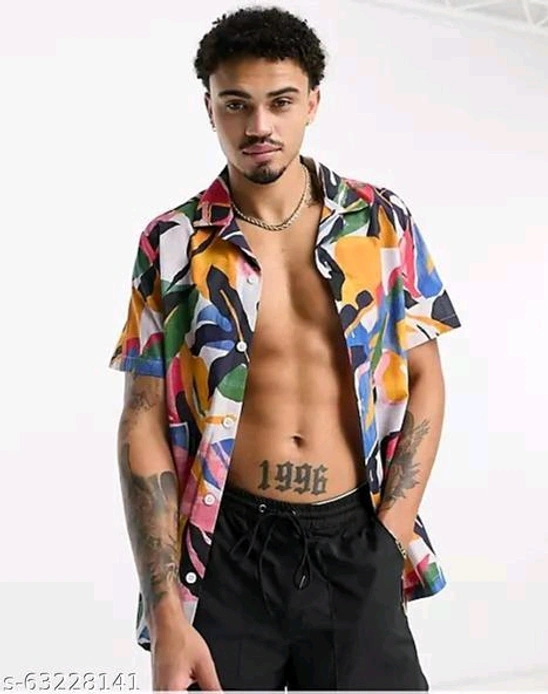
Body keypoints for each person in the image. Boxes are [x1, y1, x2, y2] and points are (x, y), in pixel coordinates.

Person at [109, 5, 461, 691]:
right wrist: (167, 610)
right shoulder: (173, 243)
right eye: (236, 104)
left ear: (313, 104)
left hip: (354, 537)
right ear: (209, 108)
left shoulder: (381, 222)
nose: (259, 126)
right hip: (225, 550)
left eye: (280, 101)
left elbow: (426, 377)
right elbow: (142, 417)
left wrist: (390, 535)